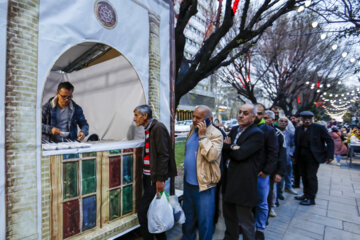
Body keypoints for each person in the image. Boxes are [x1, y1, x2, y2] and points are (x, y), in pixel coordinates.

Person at [133, 104, 177, 240]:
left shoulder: (158, 128)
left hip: (155, 179)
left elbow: (164, 155)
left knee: (143, 212)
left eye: (136, 115)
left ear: (145, 116)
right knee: (154, 211)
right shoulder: (149, 128)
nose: (134, 119)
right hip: (149, 177)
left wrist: (160, 179)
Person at [222, 104, 264, 240]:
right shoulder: (234, 129)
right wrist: (232, 147)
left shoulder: (256, 133)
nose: (240, 115)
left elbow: (241, 155)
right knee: (229, 218)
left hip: (243, 183)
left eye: (245, 113)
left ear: (253, 117)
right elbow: (225, 149)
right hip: (229, 181)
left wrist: (230, 146)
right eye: (240, 112)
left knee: (245, 221)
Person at [182, 105, 223, 240]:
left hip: (204, 186)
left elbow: (212, 156)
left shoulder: (216, 134)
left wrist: (202, 137)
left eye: (198, 118)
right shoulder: (192, 129)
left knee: (205, 221)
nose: (194, 120)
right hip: (188, 183)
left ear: (209, 119)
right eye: (193, 116)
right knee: (188, 217)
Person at [294, 111, 334, 206]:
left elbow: (330, 141)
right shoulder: (298, 129)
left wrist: (329, 155)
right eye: (305, 119)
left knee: (311, 177)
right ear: (301, 119)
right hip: (301, 156)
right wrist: (295, 157)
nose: (307, 121)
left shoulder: (319, 128)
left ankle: (311, 198)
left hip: (313, 157)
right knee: (303, 176)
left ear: (313, 119)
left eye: (309, 119)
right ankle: (305, 194)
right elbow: (297, 144)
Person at [254, 104, 278, 240]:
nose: (257, 115)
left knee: (262, 202)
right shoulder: (247, 128)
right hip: (249, 172)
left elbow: (273, 152)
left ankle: (260, 228)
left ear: (263, 115)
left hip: (262, 174)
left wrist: (266, 171)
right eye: (254, 113)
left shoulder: (268, 130)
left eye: (260, 113)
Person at [277, 117, 297, 195]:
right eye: (281, 121)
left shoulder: (290, 134)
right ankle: (280, 192)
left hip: (287, 156)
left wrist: (291, 153)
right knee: (280, 174)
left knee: (289, 172)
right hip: (279, 157)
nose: (283, 123)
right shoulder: (275, 132)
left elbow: (293, 145)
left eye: (285, 121)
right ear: (278, 122)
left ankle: (288, 187)